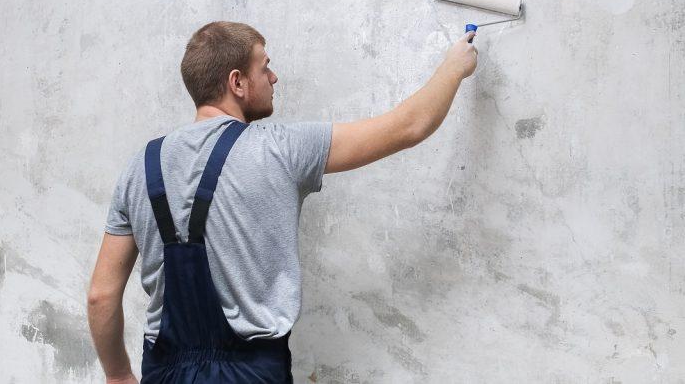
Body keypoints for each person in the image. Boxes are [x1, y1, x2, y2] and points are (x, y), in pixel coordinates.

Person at [86, 21, 478, 383]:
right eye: (264, 67)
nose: (273, 78)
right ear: (236, 82)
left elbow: (101, 295)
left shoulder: (140, 167)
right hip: (252, 374)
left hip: (164, 373)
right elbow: (409, 125)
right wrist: (453, 66)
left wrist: (118, 376)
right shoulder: (281, 149)